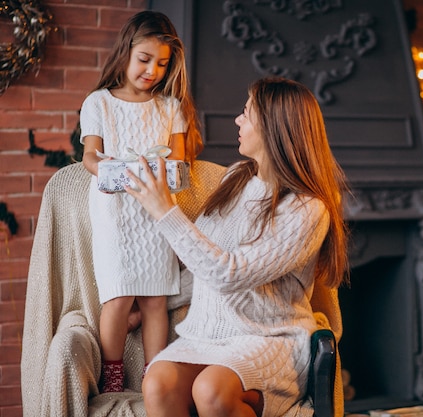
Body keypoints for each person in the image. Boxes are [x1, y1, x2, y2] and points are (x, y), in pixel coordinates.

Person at [124, 76, 349, 417]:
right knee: (157, 382)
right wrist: (149, 306)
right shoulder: (236, 178)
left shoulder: (307, 210)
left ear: (275, 127)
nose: (238, 120)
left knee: (211, 389)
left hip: (269, 338)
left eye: (247, 113)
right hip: (206, 337)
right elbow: (203, 267)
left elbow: (229, 273)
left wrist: (163, 210)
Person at [79, 10, 203, 393]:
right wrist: (115, 169)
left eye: (162, 64)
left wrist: (165, 169)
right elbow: (90, 158)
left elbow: (179, 164)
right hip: (115, 213)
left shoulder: (171, 107)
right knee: (118, 298)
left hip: (156, 213)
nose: (152, 71)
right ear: (125, 53)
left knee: (154, 302)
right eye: (144, 60)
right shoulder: (98, 103)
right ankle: (112, 377)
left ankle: (154, 376)